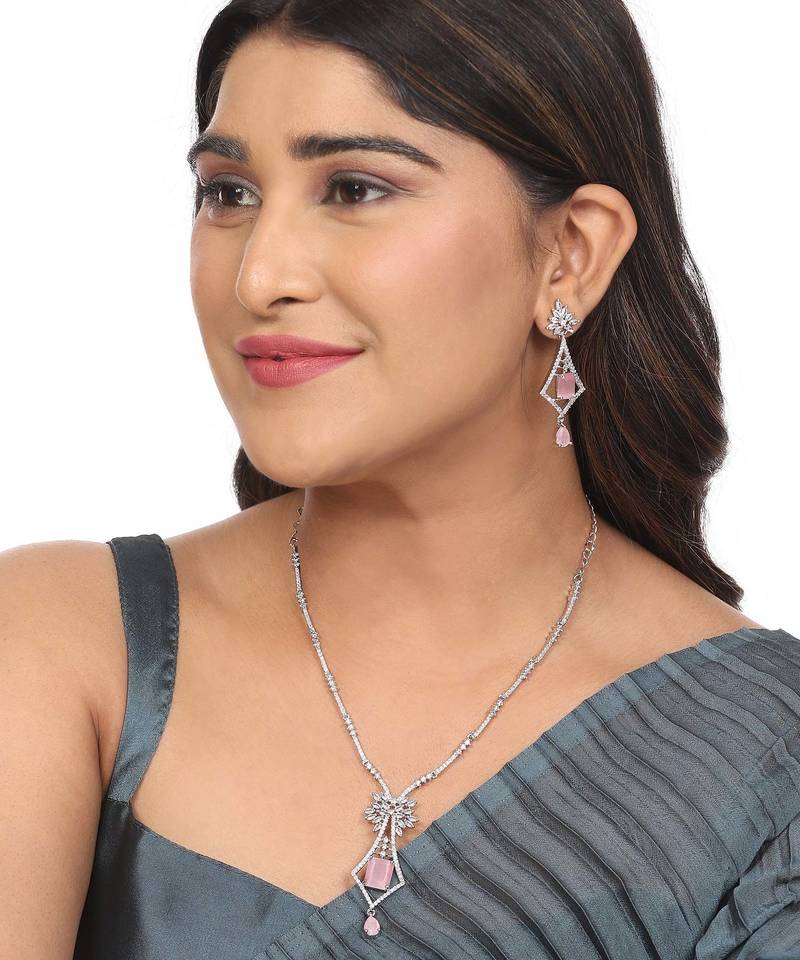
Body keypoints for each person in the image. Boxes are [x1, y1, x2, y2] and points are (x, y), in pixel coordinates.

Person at [2, 1, 798, 957]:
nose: (259, 276)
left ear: (571, 253)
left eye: (354, 188)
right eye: (229, 192)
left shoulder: (758, 760)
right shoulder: (63, 643)